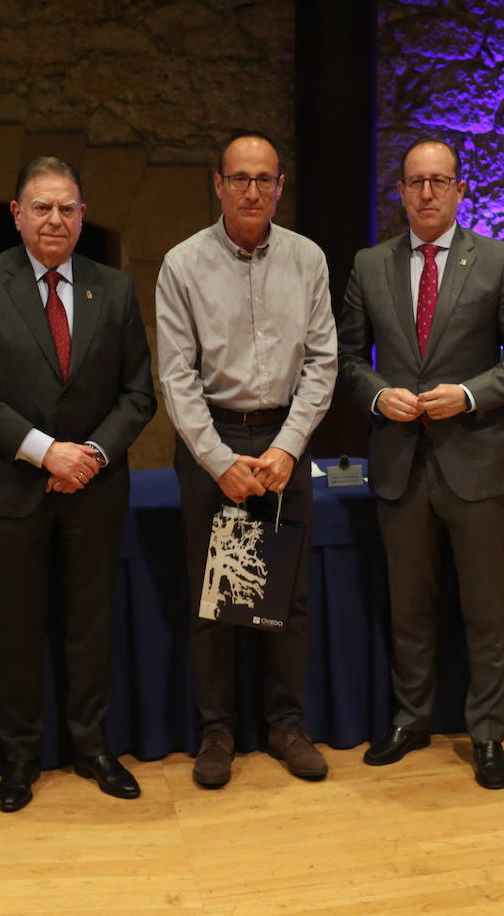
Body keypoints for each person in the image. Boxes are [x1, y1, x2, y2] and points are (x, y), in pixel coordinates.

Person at [337, 137, 504, 790]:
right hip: (401, 463)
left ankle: (487, 733)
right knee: (409, 606)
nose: (427, 193)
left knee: (486, 608)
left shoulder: (499, 260)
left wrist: (469, 393)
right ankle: (411, 718)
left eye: (439, 181)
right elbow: (345, 361)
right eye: (415, 182)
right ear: (399, 192)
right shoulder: (368, 265)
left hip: (479, 463)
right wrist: (376, 393)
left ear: (460, 191)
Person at [0, 156, 154, 812]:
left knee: (90, 626)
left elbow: (138, 392)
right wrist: (45, 453)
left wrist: (89, 453)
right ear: (17, 214)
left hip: (93, 488)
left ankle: (92, 746)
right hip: (13, 489)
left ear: (84, 215)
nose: (55, 220)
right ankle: (20, 756)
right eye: (41, 207)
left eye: (67, 208)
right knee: (18, 627)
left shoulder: (114, 289)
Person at [155, 130, 337, 789]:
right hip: (216, 441)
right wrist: (217, 459)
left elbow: (323, 363)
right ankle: (217, 731)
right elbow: (176, 377)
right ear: (218, 184)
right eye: (240, 178)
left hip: (283, 441)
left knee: (286, 594)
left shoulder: (307, 259)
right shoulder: (182, 264)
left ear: (280, 186)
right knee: (216, 601)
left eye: (264, 179)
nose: (252, 190)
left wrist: (288, 446)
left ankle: (286, 725)